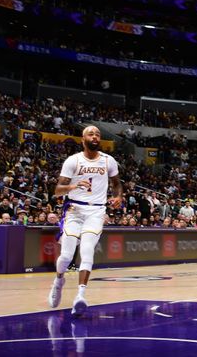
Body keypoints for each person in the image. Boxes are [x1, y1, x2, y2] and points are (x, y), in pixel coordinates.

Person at [47, 126, 122, 317]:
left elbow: (116, 184)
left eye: (98, 134)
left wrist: (118, 197)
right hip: (74, 210)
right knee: (66, 256)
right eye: (91, 133)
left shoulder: (108, 160)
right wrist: (74, 185)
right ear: (83, 139)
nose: (95, 136)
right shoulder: (73, 160)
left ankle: (80, 296)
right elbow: (57, 190)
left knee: (87, 250)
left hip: (96, 210)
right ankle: (58, 281)